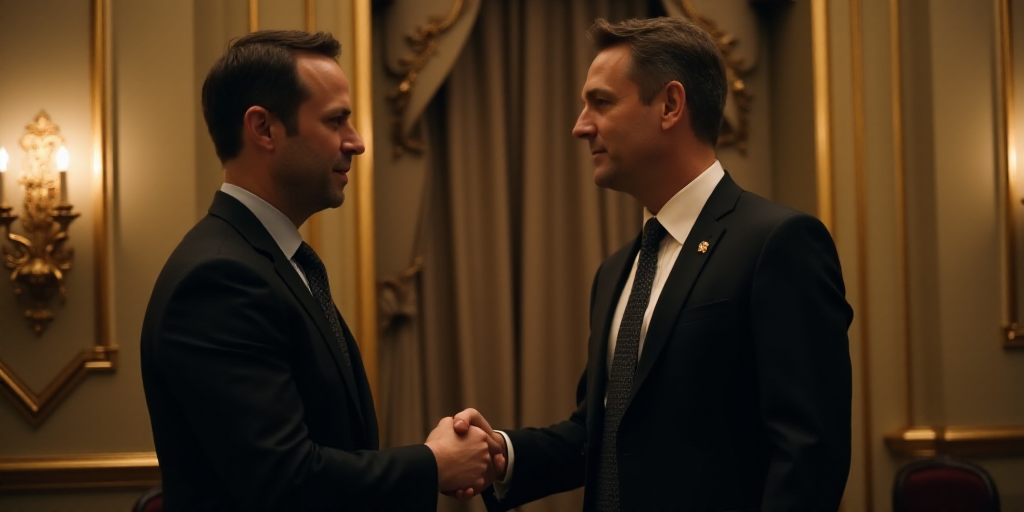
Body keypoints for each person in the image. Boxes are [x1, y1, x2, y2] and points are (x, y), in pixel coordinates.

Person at [454, 17, 853, 512]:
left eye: (601, 102)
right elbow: (601, 435)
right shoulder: (615, 272)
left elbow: (809, 454)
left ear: (670, 105)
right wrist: (503, 455)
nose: (580, 126)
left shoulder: (778, 243)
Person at [140, 30, 501, 511]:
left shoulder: (269, 260)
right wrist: (434, 464)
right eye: (336, 120)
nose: (357, 142)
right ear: (263, 129)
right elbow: (285, 481)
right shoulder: (219, 279)